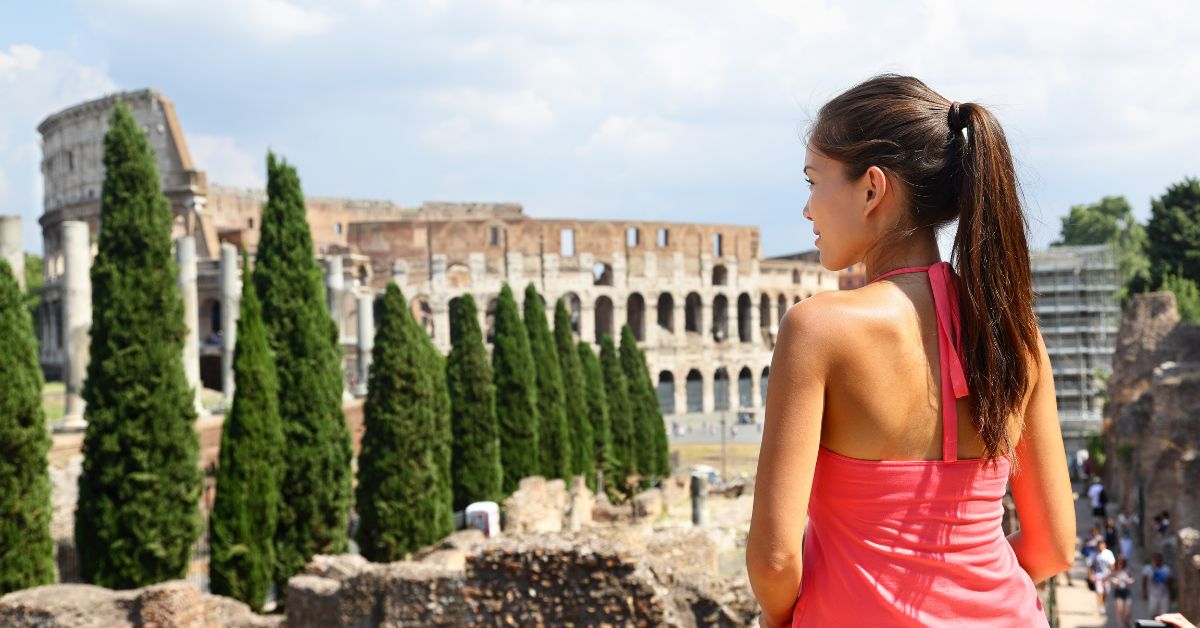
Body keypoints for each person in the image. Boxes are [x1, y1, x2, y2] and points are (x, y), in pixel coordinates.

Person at [745, 75, 1074, 627]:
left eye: (813, 181)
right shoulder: (1014, 333)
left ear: (872, 189)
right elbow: (1055, 547)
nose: (806, 211)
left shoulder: (818, 329)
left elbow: (775, 560)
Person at [1106, 556, 1135, 627]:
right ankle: (1121, 625)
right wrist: (1114, 580)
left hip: (1126, 591)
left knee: (1127, 611)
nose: (1120, 565)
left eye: (1121, 563)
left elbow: (1133, 578)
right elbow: (1108, 578)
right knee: (1119, 609)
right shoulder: (1115, 570)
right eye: (1119, 563)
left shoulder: (1127, 570)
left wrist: (1129, 581)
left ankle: (1126, 622)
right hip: (1118, 591)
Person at [1088, 539, 1115, 615]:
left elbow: (1112, 565)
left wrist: (1112, 575)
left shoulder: (1108, 553)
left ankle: (1103, 603)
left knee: (1105, 592)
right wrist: (1091, 575)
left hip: (1107, 576)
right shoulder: (1094, 554)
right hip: (1098, 575)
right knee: (1100, 592)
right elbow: (1091, 566)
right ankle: (1101, 606)